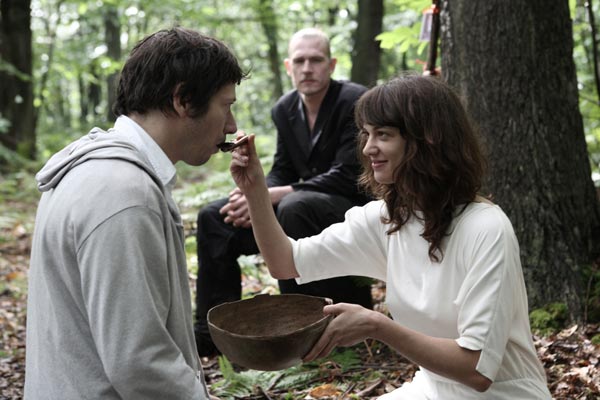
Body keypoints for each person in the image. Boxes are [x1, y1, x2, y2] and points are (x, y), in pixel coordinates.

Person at [228, 74, 552, 398]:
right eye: (366, 134)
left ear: (428, 139)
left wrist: (376, 326)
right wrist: (256, 188)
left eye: (383, 134)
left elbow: (477, 369)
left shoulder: (486, 229)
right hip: (433, 390)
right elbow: (286, 263)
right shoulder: (386, 219)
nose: (368, 147)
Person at [24, 27, 246, 400]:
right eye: (226, 106)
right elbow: (139, 362)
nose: (231, 126)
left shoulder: (99, 172)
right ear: (183, 100)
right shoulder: (123, 194)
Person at [195, 27, 372, 356]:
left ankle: (300, 331)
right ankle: (213, 340)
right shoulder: (285, 108)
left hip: (348, 208)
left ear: (331, 65)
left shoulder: (355, 100)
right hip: (299, 203)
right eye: (300, 61)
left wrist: (273, 195)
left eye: (316, 60)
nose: (308, 68)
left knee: (294, 205)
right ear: (289, 67)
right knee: (214, 217)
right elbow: (283, 169)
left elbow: (351, 174)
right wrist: (254, 195)